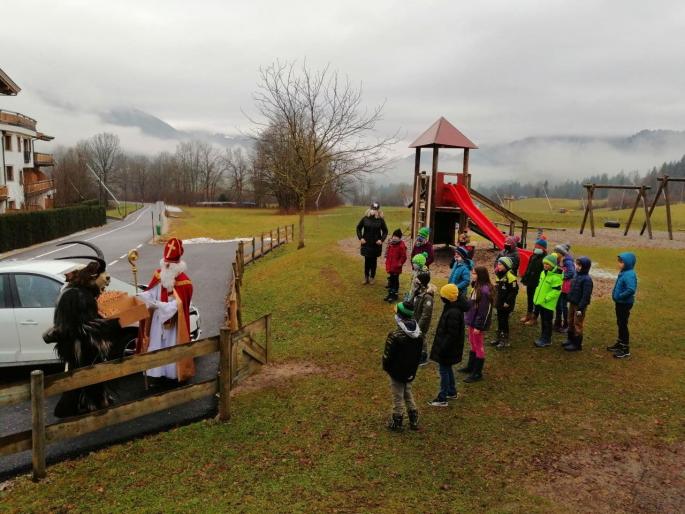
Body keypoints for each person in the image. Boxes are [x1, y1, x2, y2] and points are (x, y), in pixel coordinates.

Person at [45, 241, 126, 418]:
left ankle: (87, 404)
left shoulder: (75, 292)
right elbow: (86, 326)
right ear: (92, 277)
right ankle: (81, 407)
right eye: (103, 278)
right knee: (86, 375)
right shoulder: (80, 296)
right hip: (80, 346)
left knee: (81, 375)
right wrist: (114, 323)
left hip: (75, 344)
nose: (106, 282)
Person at [138, 238, 195, 383]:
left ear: (177, 264)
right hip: (158, 319)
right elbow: (151, 292)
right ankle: (157, 373)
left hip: (175, 323)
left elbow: (179, 305)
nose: (167, 266)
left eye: (170, 264)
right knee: (156, 344)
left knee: (171, 346)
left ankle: (172, 374)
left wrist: (161, 306)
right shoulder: (159, 274)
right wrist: (143, 296)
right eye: (166, 263)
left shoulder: (185, 282)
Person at [382, 300, 423, 431]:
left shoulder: (395, 336)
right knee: (407, 391)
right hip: (410, 370)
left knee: (397, 395)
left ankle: (397, 421)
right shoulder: (419, 335)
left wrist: (387, 367)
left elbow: (388, 356)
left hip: (396, 371)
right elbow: (419, 356)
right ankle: (413, 418)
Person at [428, 284, 470, 406]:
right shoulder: (452, 306)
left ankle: (442, 397)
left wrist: (443, 348)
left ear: (448, 298)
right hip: (449, 347)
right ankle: (451, 391)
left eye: (442, 296)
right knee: (447, 368)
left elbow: (452, 334)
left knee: (444, 371)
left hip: (448, 348)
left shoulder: (453, 312)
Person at [462, 266, 493, 383]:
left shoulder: (484, 291)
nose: (472, 274)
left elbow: (483, 311)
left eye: (474, 273)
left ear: (480, 275)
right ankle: (471, 366)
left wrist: (478, 327)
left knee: (478, 345)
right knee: (472, 342)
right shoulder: (476, 286)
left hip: (477, 324)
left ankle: (477, 373)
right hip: (472, 321)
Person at [608, 252, 637, 359]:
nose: (619, 264)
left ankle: (625, 349)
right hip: (620, 303)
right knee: (620, 323)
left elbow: (631, 289)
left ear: (628, 263)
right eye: (619, 261)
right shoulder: (624, 272)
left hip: (624, 303)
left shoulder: (629, 274)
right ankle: (620, 343)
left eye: (621, 262)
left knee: (623, 324)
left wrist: (620, 296)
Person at [564, 257, 594, 352]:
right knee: (570, 320)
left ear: (585, 267)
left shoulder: (587, 280)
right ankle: (570, 339)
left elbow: (586, 295)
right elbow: (572, 288)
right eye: (577, 264)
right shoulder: (576, 276)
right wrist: (568, 297)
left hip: (579, 306)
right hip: (572, 303)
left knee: (577, 323)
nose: (577, 267)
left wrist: (581, 308)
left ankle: (577, 344)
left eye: (579, 265)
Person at [533, 254, 563, 348]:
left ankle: (547, 339)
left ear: (553, 265)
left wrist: (546, 298)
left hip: (548, 304)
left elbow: (556, 291)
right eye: (544, 263)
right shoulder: (543, 272)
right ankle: (543, 337)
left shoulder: (556, 277)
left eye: (548, 264)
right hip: (541, 302)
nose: (545, 266)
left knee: (547, 322)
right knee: (543, 321)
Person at [356, 202, 388, 285]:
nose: (374, 211)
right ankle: (366, 277)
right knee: (367, 260)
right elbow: (358, 228)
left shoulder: (380, 220)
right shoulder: (365, 218)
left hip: (375, 245)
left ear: (378, 210)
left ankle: (372, 277)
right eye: (373, 209)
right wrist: (361, 238)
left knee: (373, 261)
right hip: (366, 243)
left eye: (375, 209)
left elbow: (385, 231)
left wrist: (381, 240)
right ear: (370, 209)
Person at [492, 256, 519, 349]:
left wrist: (508, 302)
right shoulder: (499, 274)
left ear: (506, 265)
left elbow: (514, 291)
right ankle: (499, 338)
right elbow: (497, 287)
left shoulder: (510, 276)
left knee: (504, 320)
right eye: (498, 264)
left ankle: (505, 340)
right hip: (499, 302)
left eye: (500, 264)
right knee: (499, 319)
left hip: (506, 304)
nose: (498, 266)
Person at [520, 238, 547, 326]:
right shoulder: (533, 255)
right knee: (530, 298)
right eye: (535, 246)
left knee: (536, 301)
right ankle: (528, 315)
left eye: (538, 246)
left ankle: (534, 318)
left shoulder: (545, 259)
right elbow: (528, 268)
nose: (535, 247)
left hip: (537, 283)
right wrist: (525, 278)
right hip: (530, 282)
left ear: (543, 248)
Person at [411, 269, 436, 366]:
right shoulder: (418, 291)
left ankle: (423, 356)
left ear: (421, 281)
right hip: (415, 318)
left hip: (422, 322)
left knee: (421, 337)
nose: (415, 280)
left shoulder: (427, 297)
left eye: (417, 279)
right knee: (417, 337)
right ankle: (417, 352)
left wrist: (419, 325)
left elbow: (426, 314)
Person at [553, 244, 575, 333]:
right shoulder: (561, 260)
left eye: (556, 252)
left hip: (565, 288)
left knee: (563, 306)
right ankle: (558, 323)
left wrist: (561, 277)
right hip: (562, 286)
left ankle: (566, 324)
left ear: (561, 253)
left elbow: (571, 272)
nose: (554, 253)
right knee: (559, 305)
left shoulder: (568, 261)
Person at [384, 229, 407, 303]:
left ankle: (394, 295)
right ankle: (390, 294)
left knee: (395, 281)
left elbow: (403, 257)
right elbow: (388, 255)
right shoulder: (391, 244)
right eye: (394, 236)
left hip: (396, 268)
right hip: (391, 266)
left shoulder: (401, 246)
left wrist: (399, 264)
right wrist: (387, 262)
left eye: (396, 236)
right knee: (391, 281)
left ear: (399, 238)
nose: (394, 237)